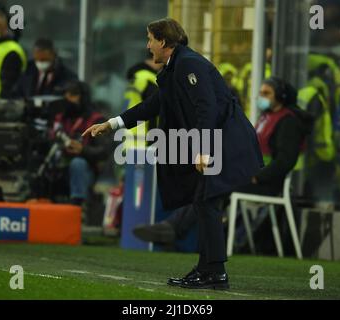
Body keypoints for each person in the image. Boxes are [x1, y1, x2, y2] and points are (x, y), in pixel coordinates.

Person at [83, 18, 263, 290]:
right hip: (218, 140)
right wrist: (112, 124)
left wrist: (203, 148)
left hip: (226, 142)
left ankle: (213, 272)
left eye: (150, 39)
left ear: (164, 42)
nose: (148, 46)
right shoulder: (175, 67)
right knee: (205, 203)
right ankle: (209, 271)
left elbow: (206, 107)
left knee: (206, 202)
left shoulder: (189, 64)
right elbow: (152, 105)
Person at [133, 77, 312, 248]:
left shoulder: (288, 122)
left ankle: (175, 230)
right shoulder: (267, 117)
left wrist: (258, 177)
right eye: (261, 92)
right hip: (248, 175)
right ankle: (175, 229)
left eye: (267, 93)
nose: (261, 97)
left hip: (266, 183)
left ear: (280, 96)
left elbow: (285, 161)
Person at [47, 81, 111, 207]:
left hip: (87, 169)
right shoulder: (60, 118)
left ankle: (78, 206)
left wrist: (82, 150)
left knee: (78, 163)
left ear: (83, 97)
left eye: (73, 95)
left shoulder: (96, 120)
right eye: (66, 94)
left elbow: (104, 151)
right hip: (61, 164)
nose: (67, 99)